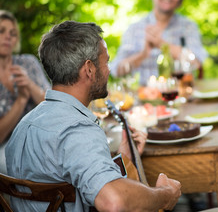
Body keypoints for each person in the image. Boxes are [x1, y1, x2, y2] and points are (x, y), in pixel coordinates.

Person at [5, 21, 182, 211]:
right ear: (89, 69)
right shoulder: (77, 129)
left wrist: (123, 158)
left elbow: (57, 169)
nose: (109, 70)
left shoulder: (24, 125)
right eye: (106, 61)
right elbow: (114, 202)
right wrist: (164, 194)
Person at [109, 0, 208, 85]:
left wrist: (161, 44)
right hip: (144, 97)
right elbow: (116, 71)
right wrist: (143, 54)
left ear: (181, 1)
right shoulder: (134, 29)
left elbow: (196, 63)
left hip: (181, 94)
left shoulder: (188, 27)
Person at [0, 10, 50, 175]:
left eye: (13, 33)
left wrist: (29, 84)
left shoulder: (27, 62)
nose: (8, 36)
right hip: (7, 146)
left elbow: (53, 105)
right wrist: (21, 100)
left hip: (41, 137)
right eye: (2, 31)